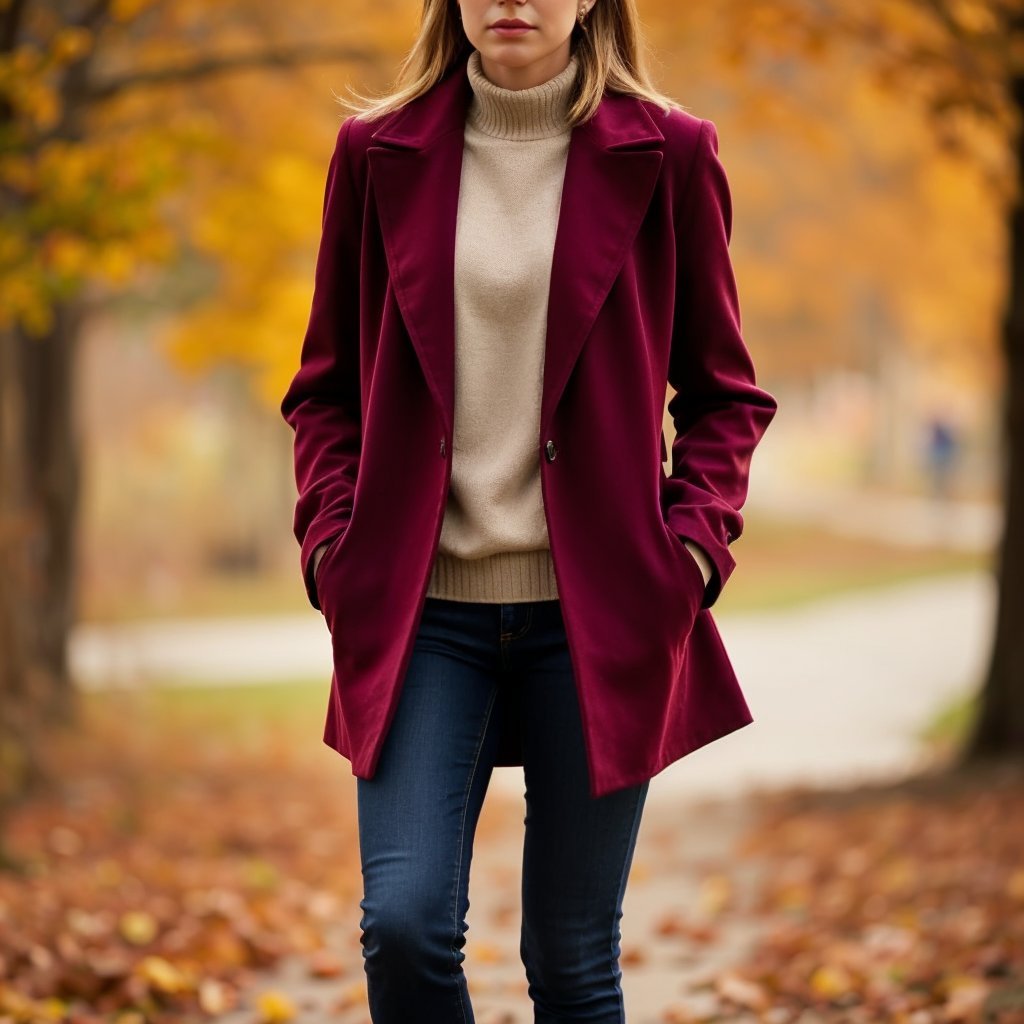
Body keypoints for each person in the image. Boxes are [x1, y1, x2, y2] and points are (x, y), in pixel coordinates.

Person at [280, 0, 778, 1020]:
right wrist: (332, 545)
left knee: (570, 957)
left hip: (600, 615)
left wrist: (688, 557)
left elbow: (726, 394)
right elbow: (322, 389)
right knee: (406, 926)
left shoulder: (671, 153)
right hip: (421, 613)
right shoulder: (373, 154)